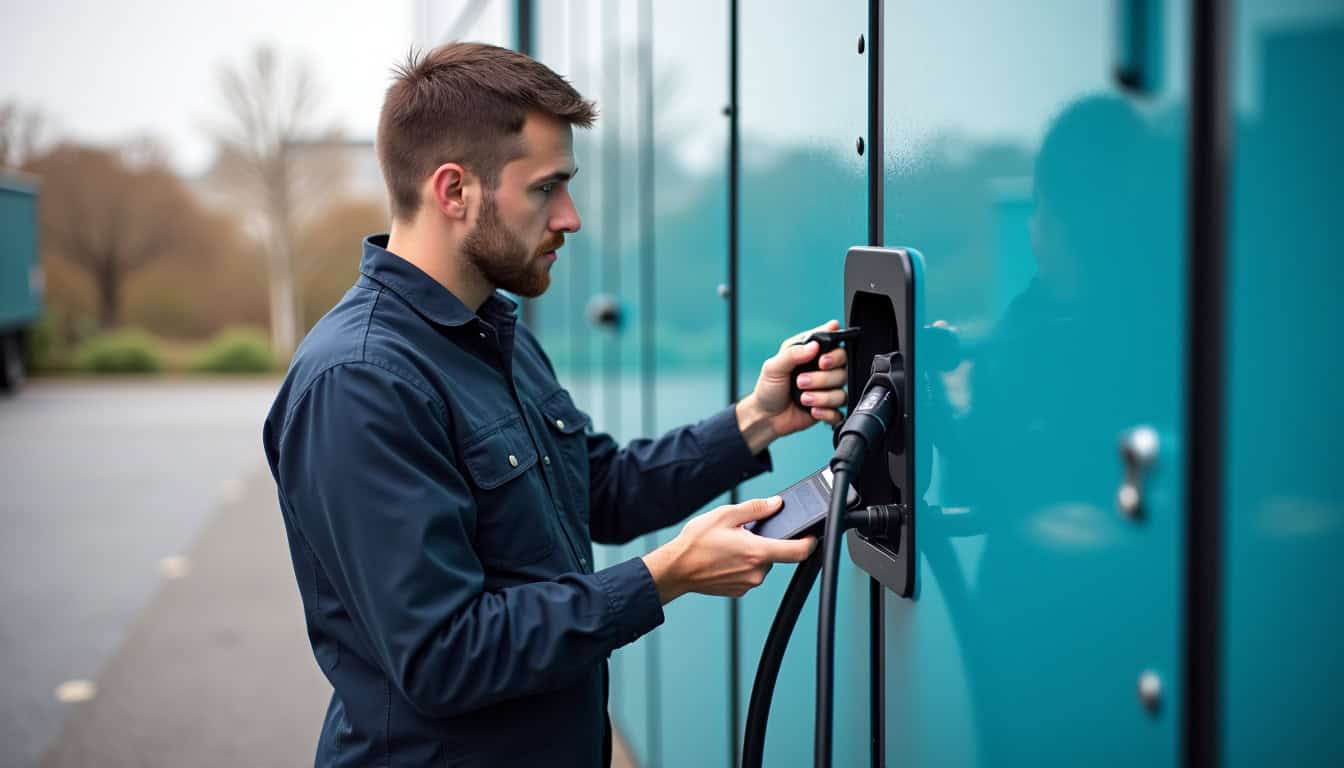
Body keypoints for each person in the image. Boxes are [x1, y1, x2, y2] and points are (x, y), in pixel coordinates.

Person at [262, 42, 848, 767]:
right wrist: (666, 575)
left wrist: (758, 418)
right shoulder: (358, 382)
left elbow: (599, 490)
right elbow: (444, 654)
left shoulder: (493, 331)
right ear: (454, 192)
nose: (569, 217)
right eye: (547, 188)